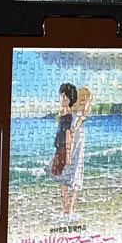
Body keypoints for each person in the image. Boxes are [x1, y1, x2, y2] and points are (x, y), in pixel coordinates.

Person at [59, 87, 93, 217]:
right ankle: (66, 208)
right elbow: (69, 135)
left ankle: (70, 209)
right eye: (83, 100)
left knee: (75, 178)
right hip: (71, 151)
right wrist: (68, 154)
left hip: (78, 152)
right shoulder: (74, 115)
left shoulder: (81, 116)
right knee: (66, 177)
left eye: (87, 100)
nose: (85, 103)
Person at [47, 83, 78, 218]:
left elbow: (68, 135)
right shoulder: (63, 115)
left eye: (65, 96)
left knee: (65, 179)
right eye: (61, 95)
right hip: (60, 149)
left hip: (64, 150)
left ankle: (67, 209)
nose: (62, 98)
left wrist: (68, 154)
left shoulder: (68, 117)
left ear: (70, 99)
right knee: (63, 179)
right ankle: (66, 208)